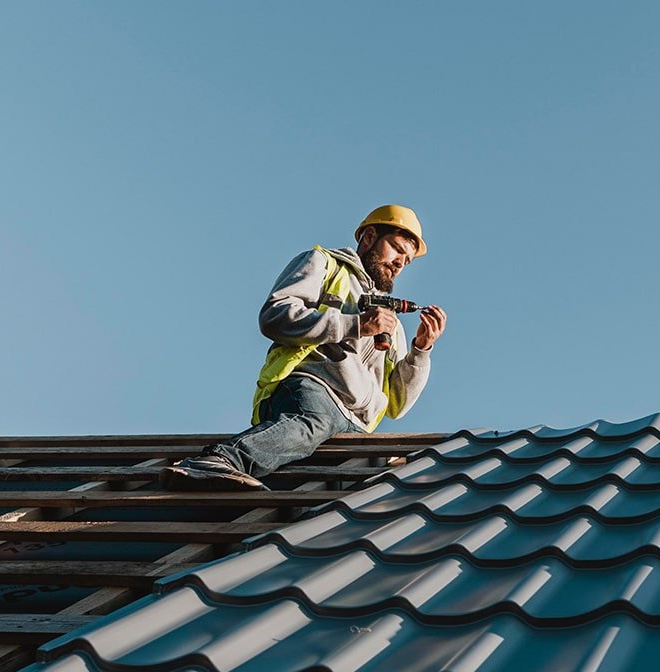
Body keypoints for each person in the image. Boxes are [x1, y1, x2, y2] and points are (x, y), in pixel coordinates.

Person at [159, 204, 447, 491]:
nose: (400, 262)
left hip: (356, 425)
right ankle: (218, 460)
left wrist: (421, 350)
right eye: (396, 249)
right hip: (313, 390)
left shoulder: (391, 324)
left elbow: (397, 405)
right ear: (369, 237)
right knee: (311, 422)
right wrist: (355, 325)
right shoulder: (324, 265)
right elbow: (275, 316)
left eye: (407, 260)